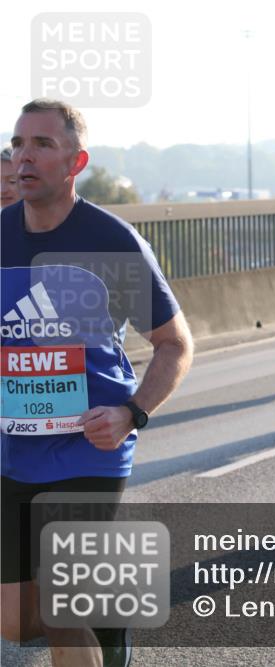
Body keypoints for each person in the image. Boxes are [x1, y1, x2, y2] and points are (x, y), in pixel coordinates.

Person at [1, 99, 194, 667]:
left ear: (75, 161)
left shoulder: (112, 242)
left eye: (41, 145)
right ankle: (108, 617)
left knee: (63, 611)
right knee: (15, 622)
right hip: (14, 450)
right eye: (17, 144)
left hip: (91, 446)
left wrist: (132, 413)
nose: (23, 156)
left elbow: (175, 343)